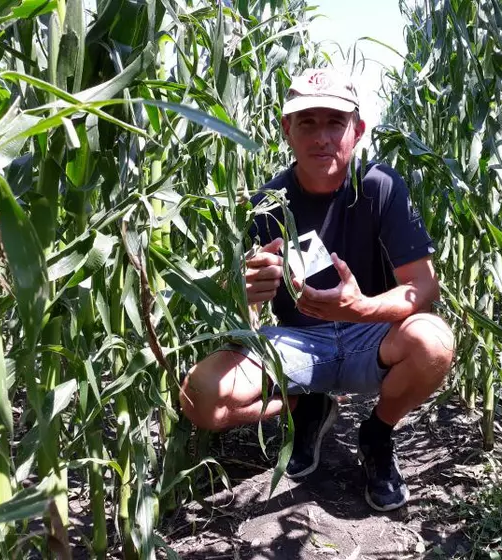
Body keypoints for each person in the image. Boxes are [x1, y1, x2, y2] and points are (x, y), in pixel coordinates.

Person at [180, 68, 454, 512]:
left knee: (435, 341)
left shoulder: (380, 187)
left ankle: (377, 435)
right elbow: (241, 305)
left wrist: (360, 308)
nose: (321, 137)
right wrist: (244, 290)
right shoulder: (269, 202)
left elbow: (422, 286)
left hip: (373, 336)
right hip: (300, 342)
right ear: (287, 129)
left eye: (334, 122)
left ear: (357, 130)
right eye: (307, 122)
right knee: (200, 396)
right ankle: (305, 408)